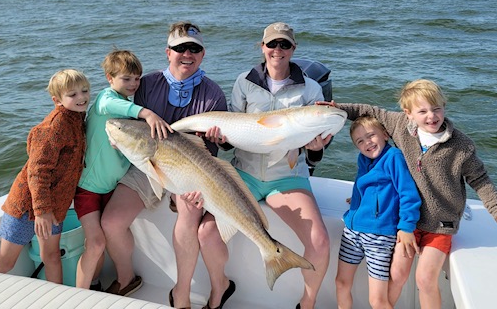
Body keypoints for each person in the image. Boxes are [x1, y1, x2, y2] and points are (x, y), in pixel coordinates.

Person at [330, 79, 497, 309]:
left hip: (440, 224)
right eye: (422, 111)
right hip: (407, 222)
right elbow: (368, 112)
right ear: (408, 114)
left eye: (436, 108)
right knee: (397, 274)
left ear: (444, 107)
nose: (431, 116)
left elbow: (480, 179)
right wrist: (335, 108)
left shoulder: (461, 146)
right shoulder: (400, 125)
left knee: (425, 278)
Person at [199, 22, 331, 309]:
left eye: (284, 44)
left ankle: (307, 303)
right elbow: (232, 137)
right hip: (243, 173)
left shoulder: (311, 88)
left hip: (286, 177)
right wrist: (220, 140)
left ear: (294, 49)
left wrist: (316, 149)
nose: (278, 50)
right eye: (272, 44)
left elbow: (315, 151)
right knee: (207, 233)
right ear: (262, 47)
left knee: (319, 240)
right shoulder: (244, 81)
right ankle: (220, 286)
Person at [100, 22, 228, 309]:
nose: (187, 54)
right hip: (147, 164)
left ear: (203, 54)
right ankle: (126, 277)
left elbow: (215, 150)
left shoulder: (213, 94)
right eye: (180, 48)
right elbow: (113, 106)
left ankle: (181, 293)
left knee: (188, 216)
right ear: (168, 52)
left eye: (194, 48)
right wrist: (116, 137)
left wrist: (220, 139)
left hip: (188, 171)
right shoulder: (146, 83)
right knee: (110, 222)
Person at [74, 49, 172, 294]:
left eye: (137, 79)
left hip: (110, 188)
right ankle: (78, 296)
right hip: (88, 189)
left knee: (105, 237)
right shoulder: (105, 101)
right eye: (126, 79)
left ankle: (121, 279)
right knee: (95, 244)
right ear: (110, 78)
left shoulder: (128, 103)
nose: (133, 84)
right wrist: (147, 113)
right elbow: (115, 106)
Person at [0, 69, 90, 283]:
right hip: (27, 206)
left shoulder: (77, 118)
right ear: (57, 100)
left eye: (85, 90)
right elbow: (37, 172)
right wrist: (42, 211)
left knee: (51, 256)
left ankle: (57, 301)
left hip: (54, 208)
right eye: (72, 94)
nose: (81, 97)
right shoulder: (53, 127)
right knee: (5, 262)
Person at [336, 116, 421, 309]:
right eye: (360, 141)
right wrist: (360, 199)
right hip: (352, 231)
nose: (367, 143)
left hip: (380, 236)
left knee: (377, 300)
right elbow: (364, 184)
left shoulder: (394, 157)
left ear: (385, 134)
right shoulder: (363, 159)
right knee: (341, 283)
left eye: (371, 135)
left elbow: (409, 195)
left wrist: (407, 227)